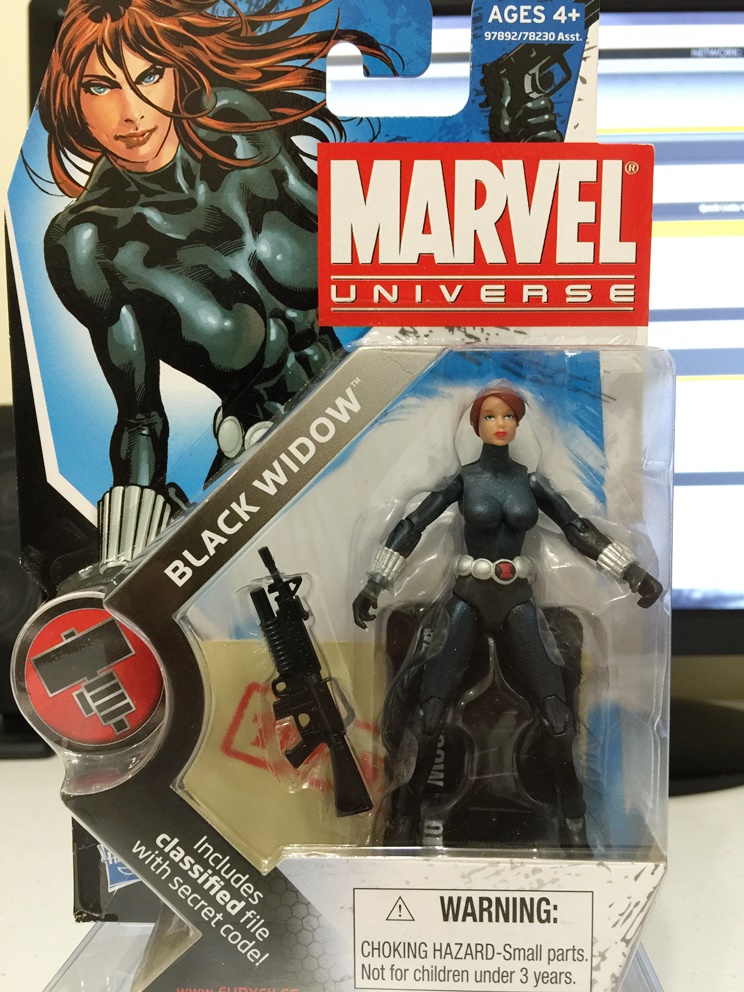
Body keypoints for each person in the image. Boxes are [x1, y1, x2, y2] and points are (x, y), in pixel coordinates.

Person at [38, 0, 393, 568]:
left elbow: (355, 239)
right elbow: (140, 419)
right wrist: (123, 563)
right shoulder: (89, 242)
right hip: (262, 471)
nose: (132, 113)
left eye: (149, 75)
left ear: (177, 71)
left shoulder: (239, 126)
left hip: (373, 413)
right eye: (100, 87)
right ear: (69, 101)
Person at [353, 381, 662, 848]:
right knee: (431, 715)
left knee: (557, 716)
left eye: (508, 416)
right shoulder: (463, 481)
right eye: (490, 416)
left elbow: (576, 527)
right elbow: (413, 523)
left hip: (517, 599)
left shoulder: (530, 483)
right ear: (476, 424)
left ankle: (573, 824)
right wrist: (376, 582)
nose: (500, 424)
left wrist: (631, 572)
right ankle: (405, 818)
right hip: (467, 597)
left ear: (518, 422)